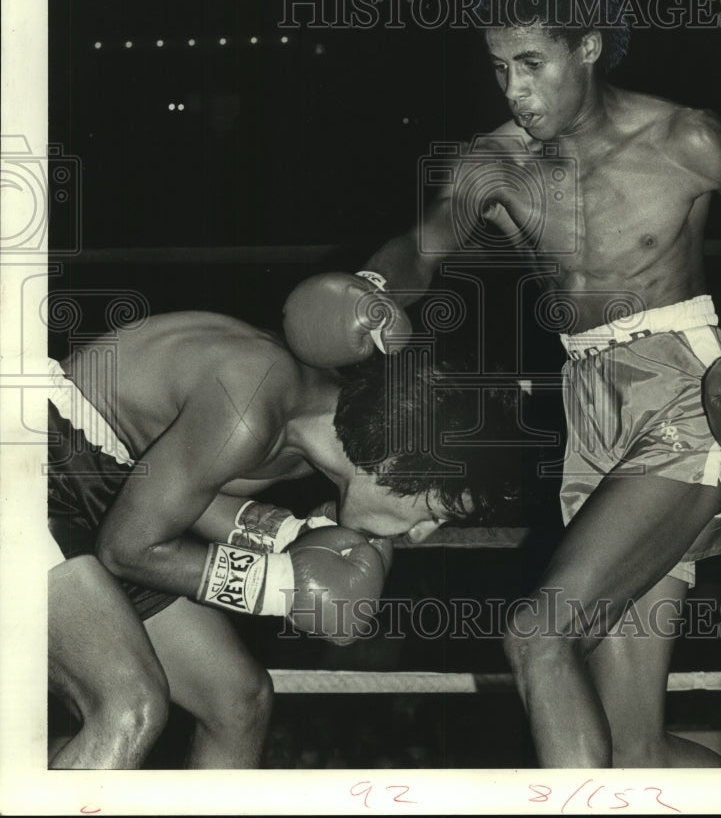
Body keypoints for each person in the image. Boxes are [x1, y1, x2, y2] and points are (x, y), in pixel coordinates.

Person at [326, 0, 721, 767]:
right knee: (633, 754)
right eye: (497, 69)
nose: (514, 91)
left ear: (585, 46)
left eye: (530, 64)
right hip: (586, 408)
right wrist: (368, 290)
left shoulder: (686, 138)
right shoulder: (496, 163)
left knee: (537, 636)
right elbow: (420, 251)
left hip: (684, 393)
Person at [48, 297, 520, 769]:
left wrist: (286, 534)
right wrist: (280, 588)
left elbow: (185, 496)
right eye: (432, 511)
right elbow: (127, 549)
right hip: (36, 460)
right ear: (396, 463)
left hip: (104, 489)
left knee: (238, 700)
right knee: (128, 709)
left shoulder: (310, 430)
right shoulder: (253, 403)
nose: (419, 535)